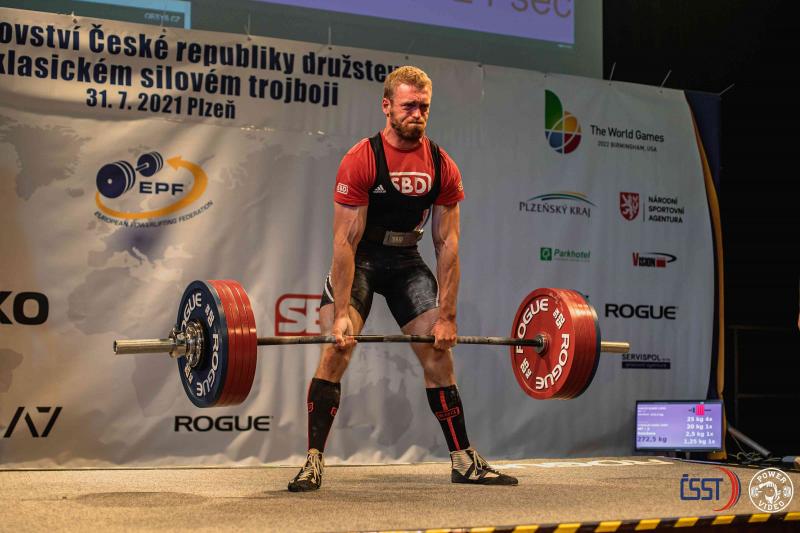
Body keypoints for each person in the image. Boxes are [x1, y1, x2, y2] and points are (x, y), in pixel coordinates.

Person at [287, 66, 518, 491]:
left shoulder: (441, 165)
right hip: (363, 258)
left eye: (424, 107)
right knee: (336, 349)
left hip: (406, 261)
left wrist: (447, 317)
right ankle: (313, 461)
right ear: (387, 106)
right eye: (409, 106)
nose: (418, 114)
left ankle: (463, 460)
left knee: (438, 355)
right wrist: (341, 314)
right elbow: (344, 242)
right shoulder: (361, 158)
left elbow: (447, 245)